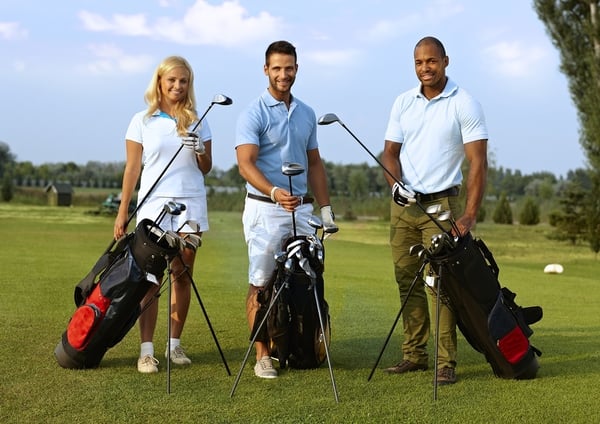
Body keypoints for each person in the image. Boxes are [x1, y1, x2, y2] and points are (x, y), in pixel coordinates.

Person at [381, 36, 488, 385]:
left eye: (431, 61)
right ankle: (414, 355)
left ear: (445, 61)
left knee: (439, 284)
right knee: (406, 280)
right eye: (418, 62)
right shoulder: (402, 102)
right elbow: (390, 153)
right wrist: (395, 186)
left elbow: (478, 163)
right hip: (404, 208)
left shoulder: (465, 103)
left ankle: (446, 363)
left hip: (441, 207)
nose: (425, 68)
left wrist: (469, 215)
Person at [235, 40, 338, 379]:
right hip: (266, 208)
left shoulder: (307, 113)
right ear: (266, 70)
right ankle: (262, 355)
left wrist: (325, 210)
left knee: (305, 277)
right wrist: (275, 191)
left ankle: (297, 344)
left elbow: (315, 163)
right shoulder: (253, 113)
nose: (283, 74)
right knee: (262, 282)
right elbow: (245, 164)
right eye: (276, 68)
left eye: (289, 68)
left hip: (302, 211)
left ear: (297, 68)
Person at [114, 56, 213, 373]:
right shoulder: (141, 120)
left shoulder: (199, 119)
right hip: (154, 206)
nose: (177, 86)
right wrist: (122, 212)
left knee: (182, 274)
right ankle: (146, 351)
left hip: (191, 202)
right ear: (159, 82)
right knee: (150, 278)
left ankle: (174, 345)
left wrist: (199, 149)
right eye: (172, 80)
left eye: (183, 81)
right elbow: (132, 169)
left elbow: (206, 168)